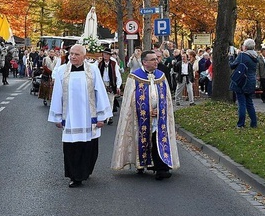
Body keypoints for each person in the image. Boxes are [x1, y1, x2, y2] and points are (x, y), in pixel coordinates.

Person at [48, 44, 112, 188]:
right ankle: (75, 176)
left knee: (88, 146)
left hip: (89, 116)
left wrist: (101, 116)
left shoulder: (92, 70)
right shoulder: (62, 71)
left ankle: (86, 170)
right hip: (70, 116)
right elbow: (57, 94)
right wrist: (57, 117)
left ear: (84, 56)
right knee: (71, 147)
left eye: (77, 54)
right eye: (71, 54)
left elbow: (100, 92)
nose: (73, 57)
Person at [111, 50, 180, 180]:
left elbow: (167, 98)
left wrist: (160, 110)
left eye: (156, 59)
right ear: (144, 62)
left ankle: (161, 168)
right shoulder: (134, 77)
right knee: (143, 139)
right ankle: (142, 164)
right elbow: (129, 101)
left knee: (158, 139)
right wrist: (148, 110)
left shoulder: (161, 76)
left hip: (159, 117)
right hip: (141, 117)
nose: (156, 61)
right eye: (153, 59)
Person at [230, 38, 259, 128]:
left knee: (242, 103)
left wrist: (231, 57)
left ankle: (241, 124)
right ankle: (254, 123)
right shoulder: (255, 57)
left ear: (245, 47)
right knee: (249, 103)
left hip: (242, 81)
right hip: (251, 81)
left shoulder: (242, 56)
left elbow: (232, 65)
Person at [98, 49, 122, 123]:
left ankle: (109, 116)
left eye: (107, 54)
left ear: (109, 56)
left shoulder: (113, 64)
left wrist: (118, 86)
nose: (105, 56)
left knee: (110, 100)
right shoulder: (99, 63)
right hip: (102, 83)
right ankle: (104, 115)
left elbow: (117, 75)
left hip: (111, 83)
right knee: (102, 100)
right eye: (104, 54)